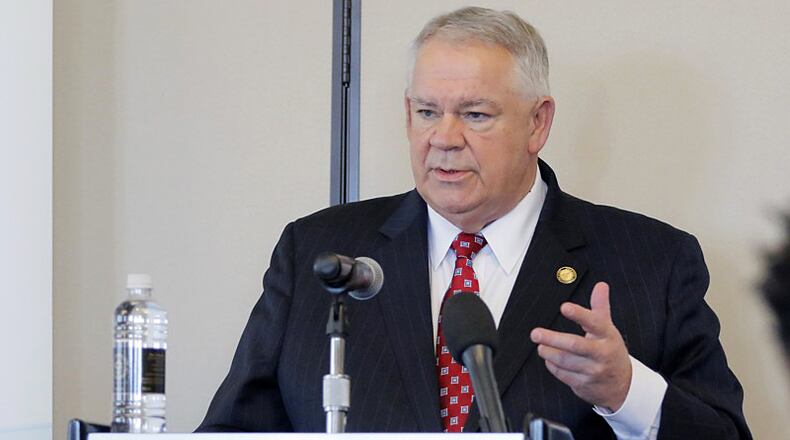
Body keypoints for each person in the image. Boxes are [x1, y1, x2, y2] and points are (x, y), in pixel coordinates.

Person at [196, 7, 750, 439]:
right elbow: (232, 432)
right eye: (427, 112)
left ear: (538, 123)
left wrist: (626, 391)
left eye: (476, 115)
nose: (444, 138)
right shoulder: (318, 251)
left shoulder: (650, 261)